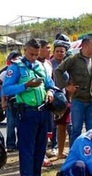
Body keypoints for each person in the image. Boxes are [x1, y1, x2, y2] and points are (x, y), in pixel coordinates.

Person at [2, 38, 55, 176]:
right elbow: (6, 89)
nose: (34, 57)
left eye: (36, 54)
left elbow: (50, 84)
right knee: (27, 151)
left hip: (43, 112)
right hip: (26, 113)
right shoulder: (16, 67)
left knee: (40, 150)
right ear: (25, 50)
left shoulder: (41, 66)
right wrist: (25, 85)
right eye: (31, 54)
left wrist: (50, 92)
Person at [55, 35, 92, 147]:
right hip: (78, 100)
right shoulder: (73, 60)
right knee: (76, 129)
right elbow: (58, 71)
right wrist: (66, 86)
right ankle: (75, 154)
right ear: (84, 46)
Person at [0, 51, 21, 152]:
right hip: (11, 102)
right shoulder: (7, 73)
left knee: (21, 124)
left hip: (21, 101)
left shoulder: (22, 72)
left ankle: (20, 144)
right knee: (11, 124)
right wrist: (4, 100)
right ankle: (10, 145)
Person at [50, 40, 72, 160]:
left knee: (63, 127)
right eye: (57, 51)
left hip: (64, 100)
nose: (59, 53)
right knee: (51, 128)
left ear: (65, 53)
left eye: (61, 51)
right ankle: (51, 148)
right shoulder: (49, 64)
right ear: (53, 52)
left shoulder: (68, 65)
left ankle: (60, 152)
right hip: (52, 99)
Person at [37, 39, 54, 167]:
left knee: (48, 130)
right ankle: (39, 156)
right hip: (36, 103)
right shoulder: (32, 64)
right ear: (40, 49)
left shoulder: (48, 63)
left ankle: (43, 153)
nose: (49, 50)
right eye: (47, 47)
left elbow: (51, 82)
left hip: (48, 102)